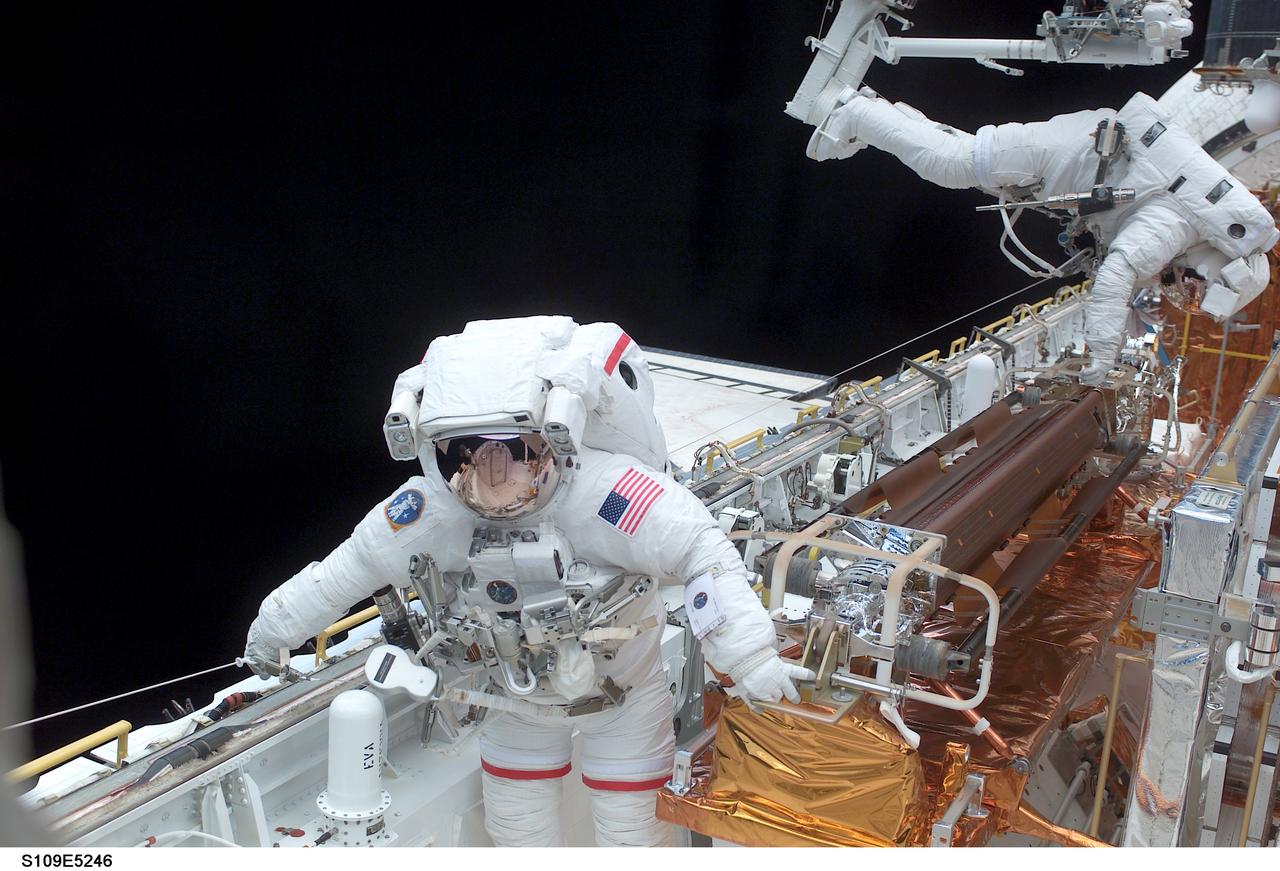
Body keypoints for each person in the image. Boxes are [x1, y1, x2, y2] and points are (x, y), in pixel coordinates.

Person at [242, 316, 812, 847]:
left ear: (552, 438)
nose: (491, 474)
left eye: (512, 452)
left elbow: (700, 551)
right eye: (467, 454)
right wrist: (272, 633)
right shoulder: (432, 511)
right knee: (517, 833)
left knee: (632, 833)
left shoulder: (607, 496)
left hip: (623, 693)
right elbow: (343, 573)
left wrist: (750, 658)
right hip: (511, 699)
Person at [808, 88, 1279, 385]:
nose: (1180, 289)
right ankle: (856, 113)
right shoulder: (1177, 226)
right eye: (1192, 286)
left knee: (962, 155)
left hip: (1061, 159)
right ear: (1212, 265)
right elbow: (1116, 275)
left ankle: (880, 114)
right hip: (1056, 154)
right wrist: (1103, 356)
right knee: (950, 164)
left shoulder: (1186, 229)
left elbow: (1132, 271)